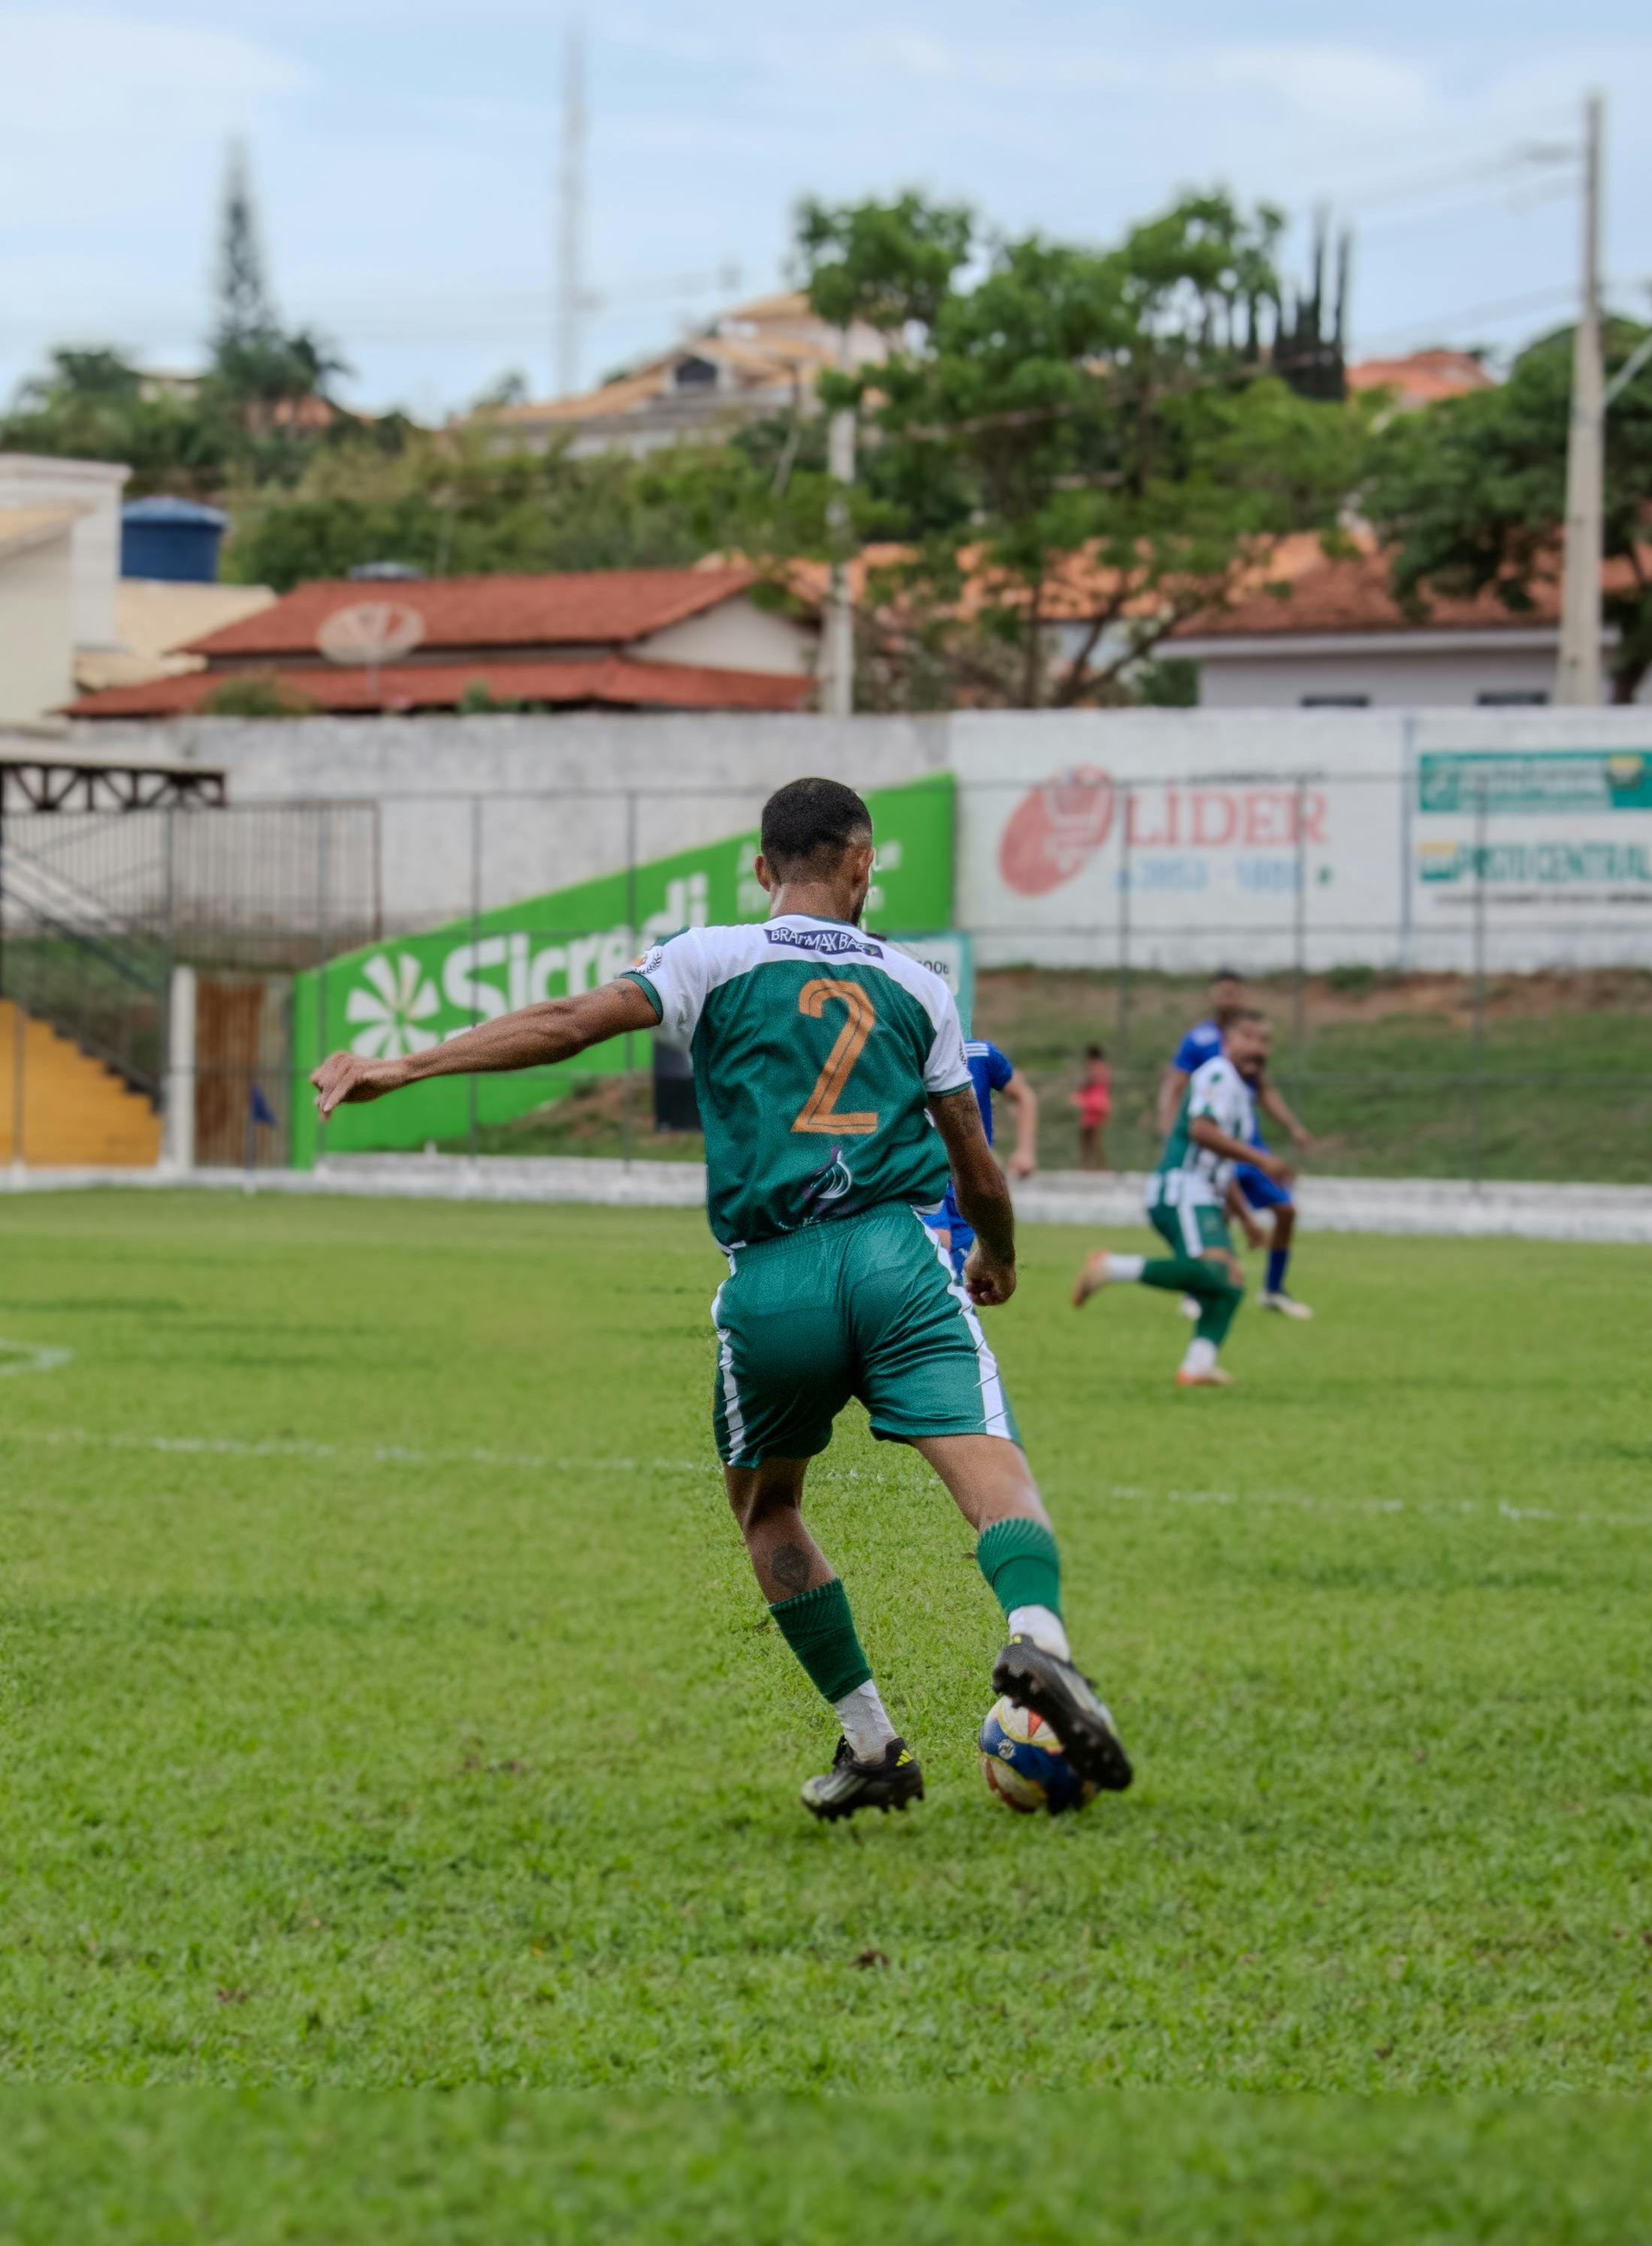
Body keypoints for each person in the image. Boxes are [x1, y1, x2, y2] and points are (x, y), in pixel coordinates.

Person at [311, 777, 1131, 1824]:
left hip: (772, 1283)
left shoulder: (711, 954)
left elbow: (568, 1023)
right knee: (991, 1473)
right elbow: (973, 1163)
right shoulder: (917, 984)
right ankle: (1038, 1641)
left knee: (769, 1508)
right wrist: (1000, 1256)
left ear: (760, 870)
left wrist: (407, 1065)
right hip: (896, 1258)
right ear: (860, 867)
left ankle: (873, 1740)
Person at [1074, 1010, 1293, 1389]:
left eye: (1265, 1041)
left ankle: (1197, 1367)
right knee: (1216, 1274)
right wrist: (1262, 1160)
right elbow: (1201, 1131)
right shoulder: (1218, 1073)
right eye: (1249, 1038)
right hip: (1181, 1189)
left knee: (1231, 1281)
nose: (1258, 1048)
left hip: (1202, 1193)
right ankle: (1111, 1266)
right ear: (1227, 1042)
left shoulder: (1241, 1092)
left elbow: (1221, 1164)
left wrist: (1247, 1220)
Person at [1158, 971, 1315, 1321]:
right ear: (1213, 996)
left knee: (1286, 1211)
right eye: (1223, 993)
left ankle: (1274, 1290)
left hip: (1248, 1146)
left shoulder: (1253, 1039)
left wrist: (1292, 1126)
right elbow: (1176, 1084)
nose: (1229, 999)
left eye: (1234, 993)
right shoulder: (1199, 1041)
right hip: (1214, 1149)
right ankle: (1195, 1289)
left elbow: (1264, 1090)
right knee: (1215, 1215)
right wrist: (1170, 1128)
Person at [924, 1037, 1037, 1284]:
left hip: (968, 1178)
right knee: (938, 1241)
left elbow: (1023, 1095)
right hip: (925, 1170)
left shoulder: (981, 1054)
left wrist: (1025, 1151)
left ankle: (953, 1314)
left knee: (955, 1269)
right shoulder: (912, 1049)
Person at [1074, 1045, 1110, 1171]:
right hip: (1098, 1103)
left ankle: (1092, 1165)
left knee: (1091, 1138)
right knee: (1092, 1137)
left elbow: (1088, 1081)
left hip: (1092, 1104)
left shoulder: (1094, 1067)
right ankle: (1094, 1166)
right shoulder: (1105, 1068)